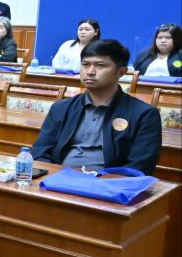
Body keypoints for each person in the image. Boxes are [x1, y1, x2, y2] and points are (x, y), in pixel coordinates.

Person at [32, 39, 161, 175]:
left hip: (108, 184)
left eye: (100, 65)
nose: (90, 72)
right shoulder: (61, 108)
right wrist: (51, 176)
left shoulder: (144, 114)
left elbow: (139, 166)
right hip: (58, 179)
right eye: (85, 64)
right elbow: (40, 152)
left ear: (121, 72)